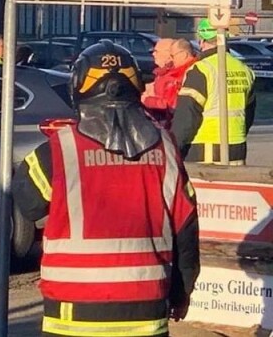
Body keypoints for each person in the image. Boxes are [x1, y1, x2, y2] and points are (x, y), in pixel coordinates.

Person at [13, 40, 200, 337]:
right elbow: (186, 228)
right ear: (136, 87)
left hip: (73, 311)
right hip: (146, 308)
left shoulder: (58, 150)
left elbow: (27, 203)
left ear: (79, 88)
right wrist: (181, 293)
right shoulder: (165, 148)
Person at [174, 19, 256, 164]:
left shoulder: (201, 69)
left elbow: (187, 117)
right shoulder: (244, 69)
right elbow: (249, 113)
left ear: (202, 41)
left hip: (205, 149)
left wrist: (174, 150)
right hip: (238, 147)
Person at [141, 38, 177, 123]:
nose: (153, 54)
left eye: (156, 51)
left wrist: (146, 99)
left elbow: (169, 104)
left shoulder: (173, 75)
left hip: (166, 123)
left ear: (168, 54)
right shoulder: (162, 73)